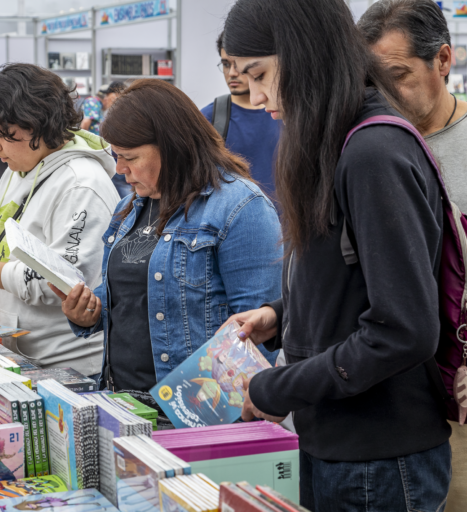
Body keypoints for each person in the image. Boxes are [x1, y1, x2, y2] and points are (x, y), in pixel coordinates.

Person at [219, 0, 451, 509]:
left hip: (378, 458)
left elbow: (403, 328)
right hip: (337, 444)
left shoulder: (373, 151)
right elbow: (353, 279)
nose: (256, 98)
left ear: (304, 53)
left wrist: (275, 389)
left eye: (260, 76)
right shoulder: (336, 139)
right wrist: (279, 315)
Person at [52, 79, 281, 406]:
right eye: (116, 156)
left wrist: (206, 414)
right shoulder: (129, 208)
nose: (120, 169)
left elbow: (256, 335)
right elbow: (130, 293)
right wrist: (89, 313)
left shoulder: (240, 207)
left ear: (172, 145)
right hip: (123, 401)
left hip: (193, 412)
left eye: (129, 156)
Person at [0, 63, 121, 377]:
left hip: (66, 364)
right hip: (17, 350)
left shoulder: (81, 184)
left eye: (6, 135)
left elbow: (67, 282)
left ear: (41, 125)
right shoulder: (22, 167)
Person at [358, 3, 467, 509]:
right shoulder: (365, 146)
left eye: (398, 75)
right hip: (393, 400)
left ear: (442, 60)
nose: (386, 92)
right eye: (373, 78)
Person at [200, 31, 281, 201]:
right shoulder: (208, 119)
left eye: (238, 64)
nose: (232, 73)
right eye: (226, 64)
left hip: (289, 224)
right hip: (233, 224)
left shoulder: (286, 115)